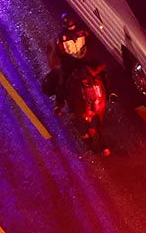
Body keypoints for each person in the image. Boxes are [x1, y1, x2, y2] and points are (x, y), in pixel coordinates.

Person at [45, 13, 109, 154]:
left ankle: (111, 93)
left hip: (84, 60)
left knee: (102, 72)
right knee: (62, 79)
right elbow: (60, 52)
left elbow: (91, 43)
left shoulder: (83, 32)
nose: (72, 28)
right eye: (69, 27)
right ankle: (60, 103)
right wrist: (67, 60)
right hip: (70, 63)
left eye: (73, 26)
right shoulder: (61, 38)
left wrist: (87, 56)